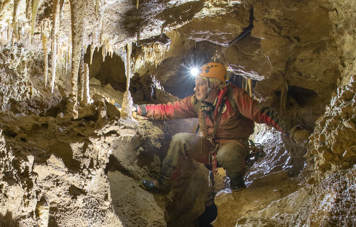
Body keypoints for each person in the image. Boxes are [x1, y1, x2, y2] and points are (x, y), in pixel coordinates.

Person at [132, 61, 309, 192]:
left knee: (227, 154)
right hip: (210, 146)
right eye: (196, 84)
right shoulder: (197, 102)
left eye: (200, 84)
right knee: (180, 139)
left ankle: (237, 187)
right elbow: (169, 109)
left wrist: (293, 131)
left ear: (214, 85)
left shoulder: (236, 97)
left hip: (235, 144)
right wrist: (140, 109)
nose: (196, 89)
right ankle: (163, 185)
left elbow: (264, 114)